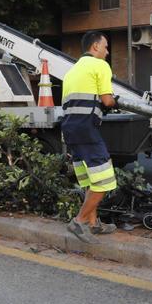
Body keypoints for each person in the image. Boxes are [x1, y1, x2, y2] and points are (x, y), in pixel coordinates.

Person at [60, 31, 118, 244]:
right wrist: (113, 101)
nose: (107, 51)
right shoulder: (100, 66)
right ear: (95, 47)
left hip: (70, 130)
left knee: (89, 180)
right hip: (87, 130)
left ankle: (93, 224)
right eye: (105, 46)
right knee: (104, 181)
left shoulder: (71, 72)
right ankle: (80, 221)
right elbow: (107, 100)